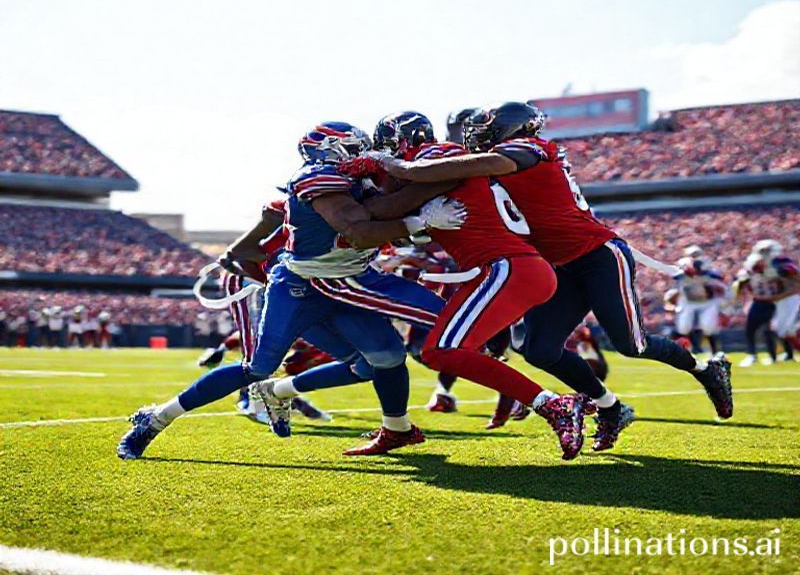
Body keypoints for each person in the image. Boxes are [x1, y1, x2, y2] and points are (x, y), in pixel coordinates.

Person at [370, 101, 733, 435]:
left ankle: (704, 370)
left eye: (485, 130)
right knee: (540, 349)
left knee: (631, 344)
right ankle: (610, 407)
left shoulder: (533, 148)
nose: (477, 138)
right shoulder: (495, 160)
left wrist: (403, 167)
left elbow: (485, 165)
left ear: (511, 129)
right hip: (556, 263)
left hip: (597, 254)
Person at [118, 121, 462, 460]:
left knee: (383, 360)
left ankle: (285, 394)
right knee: (257, 366)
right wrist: (419, 221)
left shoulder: (361, 181)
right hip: (300, 287)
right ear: (325, 152)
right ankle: (157, 417)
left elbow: (388, 219)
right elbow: (359, 229)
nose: (363, 152)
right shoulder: (315, 179)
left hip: (347, 283)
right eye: (353, 146)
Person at [734, 240, 799, 366]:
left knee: (777, 329)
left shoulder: (781, 263)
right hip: (761, 300)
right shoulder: (751, 264)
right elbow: (742, 281)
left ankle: (783, 355)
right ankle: (752, 355)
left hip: (778, 299)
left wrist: (786, 286)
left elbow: (794, 275)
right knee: (751, 328)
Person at [669, 247, 728, 355]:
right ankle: (678, 350)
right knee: (683, 327)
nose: (694, 257)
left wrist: (707, 278)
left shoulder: (707, 265)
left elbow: (719, 277)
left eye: (696, 254)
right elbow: (675, 276)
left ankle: (715, 352)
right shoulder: (682, 264)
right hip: (688, 300)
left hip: (707, 301)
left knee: (708, 327)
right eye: (692, 254)